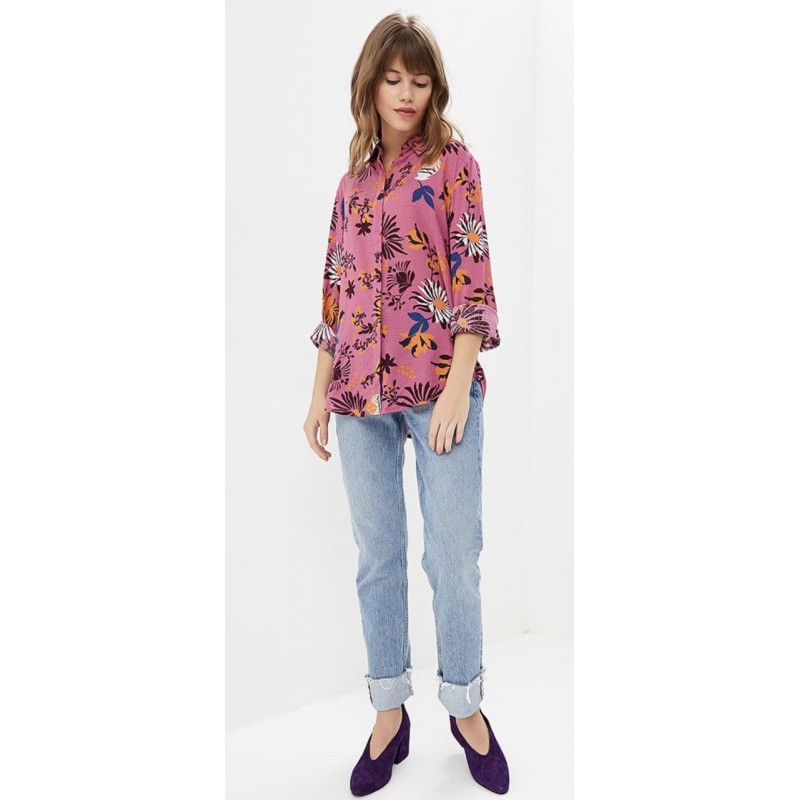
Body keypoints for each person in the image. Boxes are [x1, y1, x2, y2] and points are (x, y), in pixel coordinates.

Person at [302, 12, 509, 796]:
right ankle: (389, 713)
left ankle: (465, 707)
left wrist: (458, 384)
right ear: (371, 83)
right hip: (358, 394)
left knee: (453, 555)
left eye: (419, 80)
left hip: (439, 389)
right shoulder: (351, 184)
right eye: (392, 78)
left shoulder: (455, 166)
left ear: (433, 88)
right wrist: (317, 393)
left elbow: (473, 275)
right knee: (378, 557)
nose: (406, 92)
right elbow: (336, 290)